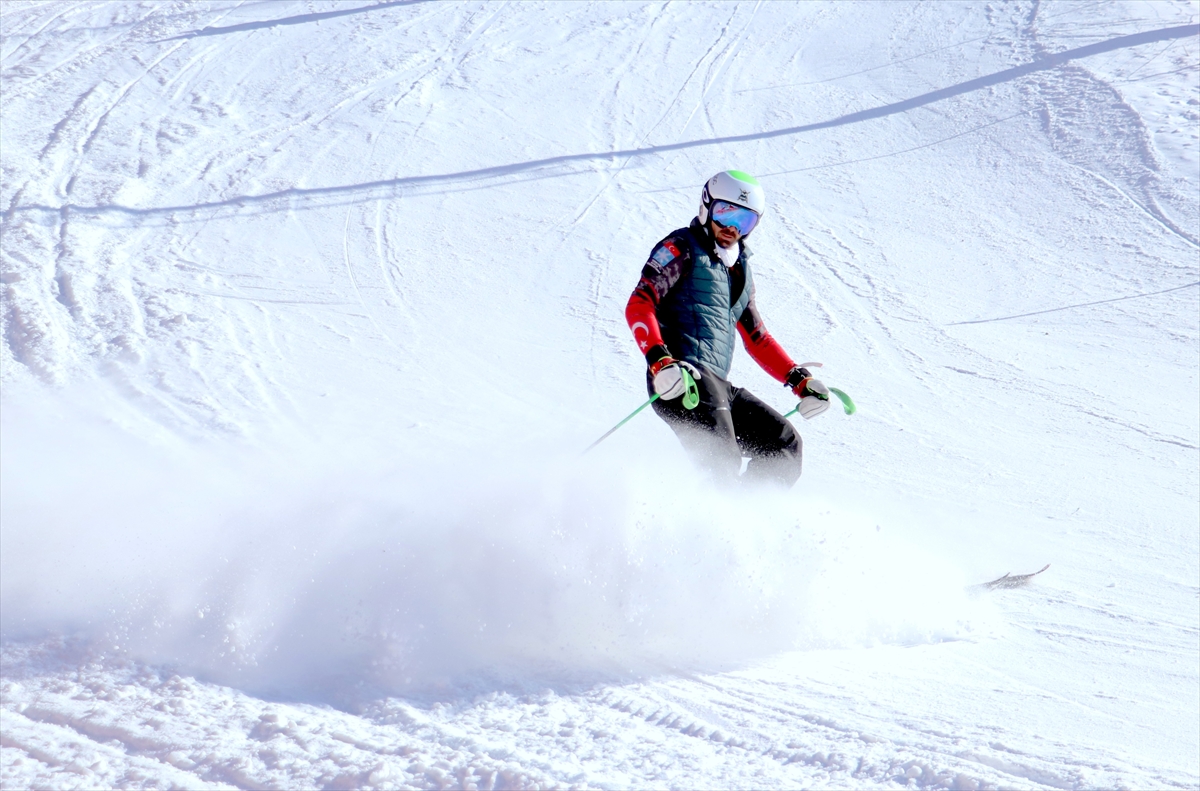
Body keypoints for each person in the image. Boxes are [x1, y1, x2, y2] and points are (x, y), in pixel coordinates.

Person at [624, 170, 830, 486]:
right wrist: (660, 361)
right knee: (722, 459)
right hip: (682, 378)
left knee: (784, 445)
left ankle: (750, 518)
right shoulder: (683, 247)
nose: (732, 228)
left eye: (744, 221)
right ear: (707, 207)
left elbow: (757, 337)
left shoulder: (738, 271)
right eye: (726, 213)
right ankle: (709, 530)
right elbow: (640, 303)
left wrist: (799, 380)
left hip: (717, 384)